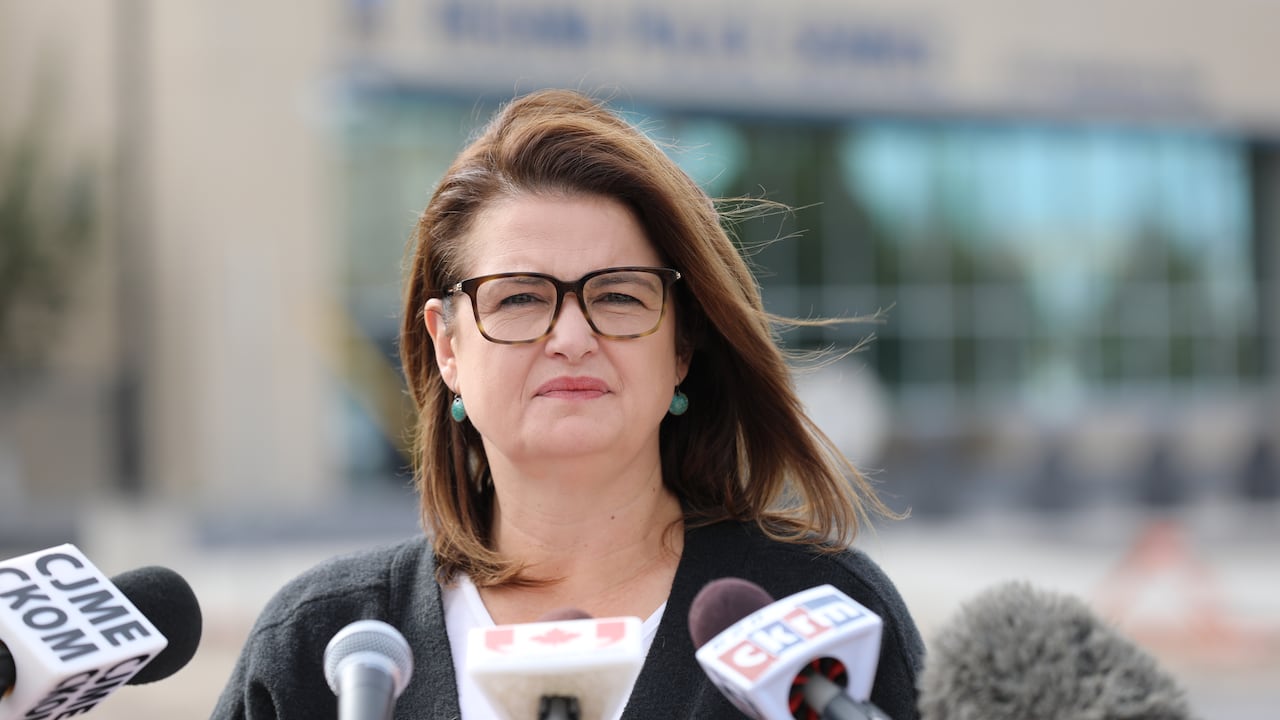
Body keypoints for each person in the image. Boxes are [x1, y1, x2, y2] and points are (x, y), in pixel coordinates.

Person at [212, 88, 924, 719]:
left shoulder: (822, 622)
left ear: (681, 346)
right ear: (447, 348)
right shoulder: (324, 649)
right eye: (520, 298)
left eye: (618, 295)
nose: (573, 337)